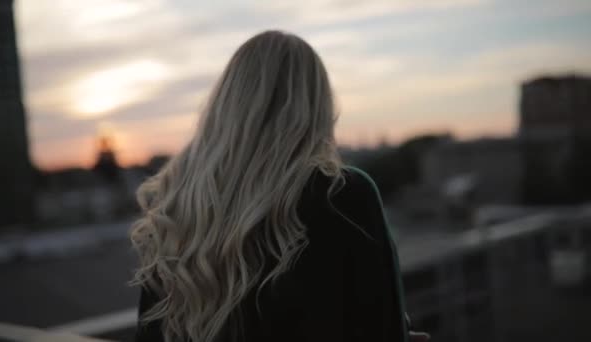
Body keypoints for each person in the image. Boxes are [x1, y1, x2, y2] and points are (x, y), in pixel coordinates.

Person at [130, 30, 429, 342]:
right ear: (316, 108)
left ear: (227, 104)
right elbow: (381, 328)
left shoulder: (175, 202)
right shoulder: (342, 195)